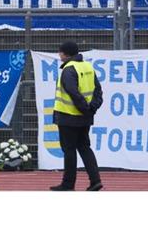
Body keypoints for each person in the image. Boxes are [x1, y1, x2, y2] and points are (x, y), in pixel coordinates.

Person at [50, 41, 103, 191]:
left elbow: (73, 93)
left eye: (60, 52)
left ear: (65, 54)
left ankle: (68, 184)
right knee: (85, 148)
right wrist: (91, 108)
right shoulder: (88, 67)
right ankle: (95, 180)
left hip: (68, 116)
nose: (59, 55)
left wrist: (85, 109)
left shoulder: (68, 70)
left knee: (69, 150)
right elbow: (98, 91)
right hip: (85, 117)